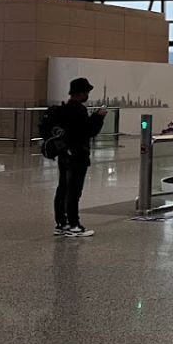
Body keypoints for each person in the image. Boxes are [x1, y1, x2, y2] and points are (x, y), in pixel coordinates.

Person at [52, 77, 107, 237]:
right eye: (87, 92)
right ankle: (74, 225)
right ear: (81, 93)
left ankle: (61, 223)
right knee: (74, 190)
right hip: (78, 155)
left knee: (63, 187)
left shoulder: (63, 109)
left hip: (64, 154)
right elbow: (89, 131)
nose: (88, 95)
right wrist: (98, 117)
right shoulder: (79, 110)